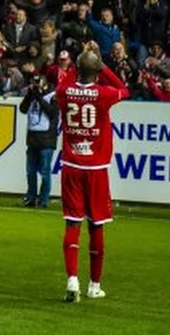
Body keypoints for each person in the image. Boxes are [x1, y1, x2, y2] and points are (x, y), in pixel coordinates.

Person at [55, 40, 130, 303]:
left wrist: (84, 62)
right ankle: (94, 285)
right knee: (96, 225)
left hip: (72, 166)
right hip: (96, 169)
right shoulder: (103, 94)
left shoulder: (65, 92)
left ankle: (72, 280)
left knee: (72, 223)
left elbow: (65, 81)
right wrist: (101, 63)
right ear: (97, 71)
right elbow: (124, 90)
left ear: (77, 69)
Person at [19, 74, 59, 208]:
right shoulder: (32, 95)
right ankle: (30, 197)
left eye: (38, 82)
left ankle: (43, 200)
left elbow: (53, 113)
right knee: (30, 171)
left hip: (46, 139)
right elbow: (23, 109)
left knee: (45, 172)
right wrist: (31, 94)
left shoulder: (53, 95)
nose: (36, 84)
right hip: (32, 139)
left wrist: (38, 97)